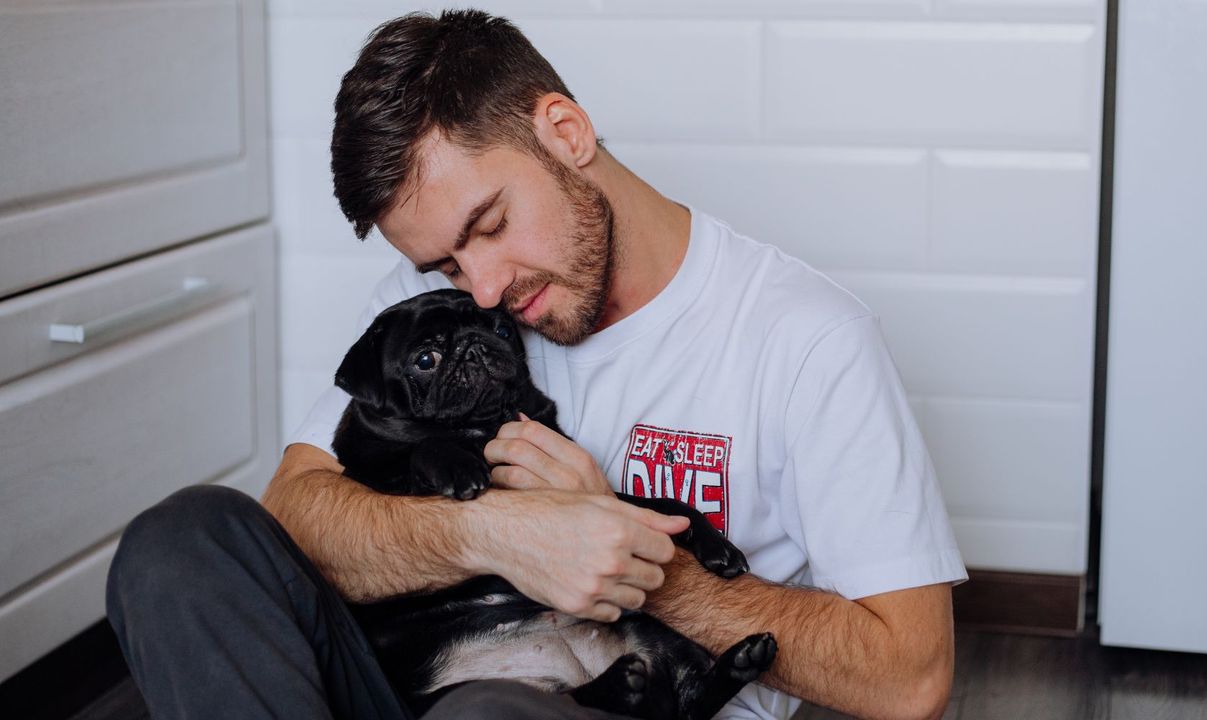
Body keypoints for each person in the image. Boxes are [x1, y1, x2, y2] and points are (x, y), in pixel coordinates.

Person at [106, 8, 966, 720]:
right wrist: (498, 534)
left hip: (624, 699)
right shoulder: (434, 307)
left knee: (487, 714)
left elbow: (911, 673)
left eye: (488, 226)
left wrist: (644, 572)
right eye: (444, 265)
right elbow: (296, 511)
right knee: (177, 544)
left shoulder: (806, 339)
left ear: (565, 131)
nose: (478, 289)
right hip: (414, 677)